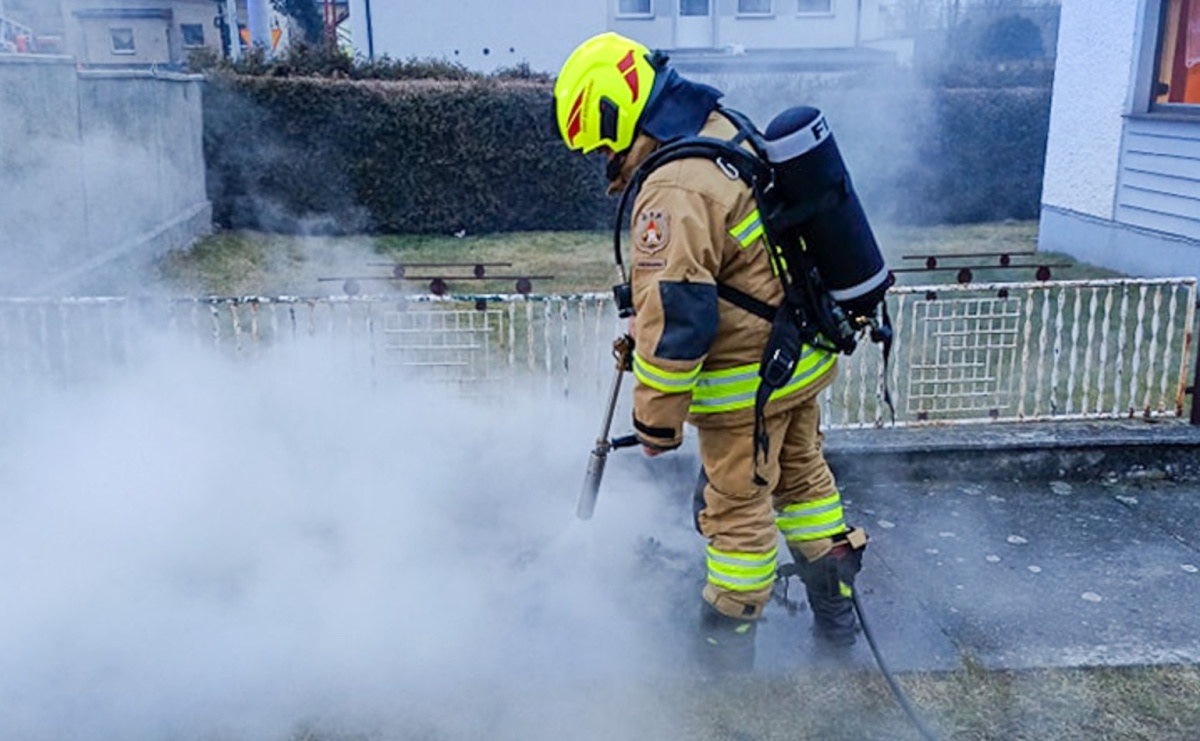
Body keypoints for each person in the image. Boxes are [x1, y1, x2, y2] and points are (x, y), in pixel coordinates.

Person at [553, 32, 869, 671]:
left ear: (614, 112)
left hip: (746, 386)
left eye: (603, 145)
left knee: (737, 516)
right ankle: (837, 620)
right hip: (797, 360)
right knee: (804, 483)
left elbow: (676, 319)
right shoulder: (723, 128)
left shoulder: (674, 188)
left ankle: (724, 660)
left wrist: (655, 425)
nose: (606, 159)